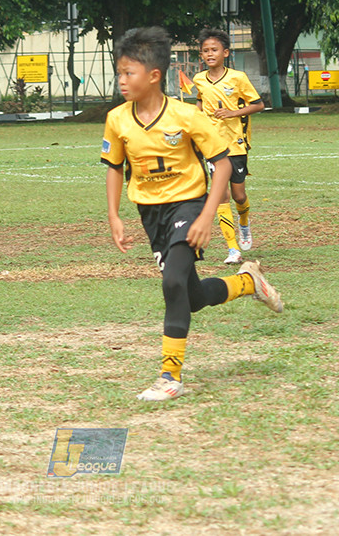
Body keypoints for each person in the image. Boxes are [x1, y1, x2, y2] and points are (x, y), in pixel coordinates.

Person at [101, 26, 284, 402]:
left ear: (154, 76)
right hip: (151, 214)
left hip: (189, 205)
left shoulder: (187, 116)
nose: (121, 80)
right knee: (193, 295)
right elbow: (114, 167)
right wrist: (114, 216)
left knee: (171, 284)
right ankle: (249, 283)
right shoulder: (117, 119)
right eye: (119, 72)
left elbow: (223, 164)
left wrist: (205, 217)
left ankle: (170, 376)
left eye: (128, 73)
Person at [193, 28, 265, 265]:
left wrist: (232, 113)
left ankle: (244, 221)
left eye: (214, 50)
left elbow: (258, 104)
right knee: (221, 196)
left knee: (238, 195)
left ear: (225, 52)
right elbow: (200, 104)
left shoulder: (238, 78)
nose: (209, 54)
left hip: (236, 145)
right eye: (205, 51)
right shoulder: (199, 79)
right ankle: (233, 249)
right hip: (213, 147)